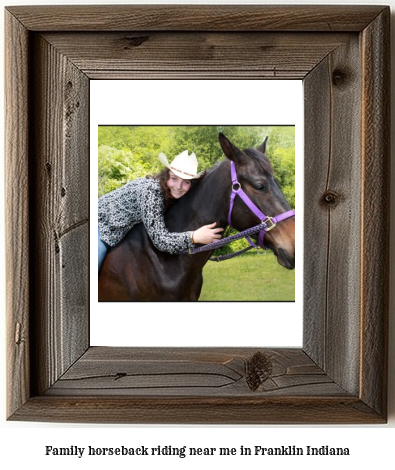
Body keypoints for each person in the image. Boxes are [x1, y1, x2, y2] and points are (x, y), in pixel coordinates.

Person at [98, 149, 224, 271]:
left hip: (118, 230)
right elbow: (160, 240)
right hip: (99, 224)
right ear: (166, 176)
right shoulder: (151, 191)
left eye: (186, 182)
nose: (179, 187)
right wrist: (194, 236)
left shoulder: (170, 195)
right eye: (174, 178)